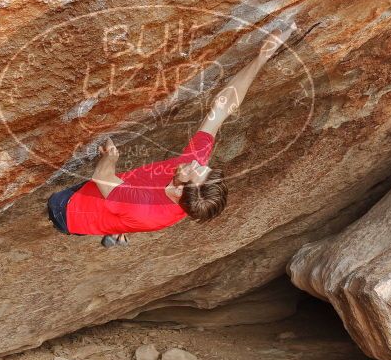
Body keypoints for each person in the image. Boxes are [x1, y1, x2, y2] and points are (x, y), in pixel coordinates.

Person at [46, 25, 296, 247]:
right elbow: (222, 108)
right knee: (126, 214)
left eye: (195, 171)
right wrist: (263, 56)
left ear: (179, 192)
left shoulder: (144, 207)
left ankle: (114, 225)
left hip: (70, 211)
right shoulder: (190, 185)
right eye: (203, 167)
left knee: (66, 202)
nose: (197, 163)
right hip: (128, 205)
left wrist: (110, 157)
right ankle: (119, 227)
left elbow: (101, 177)